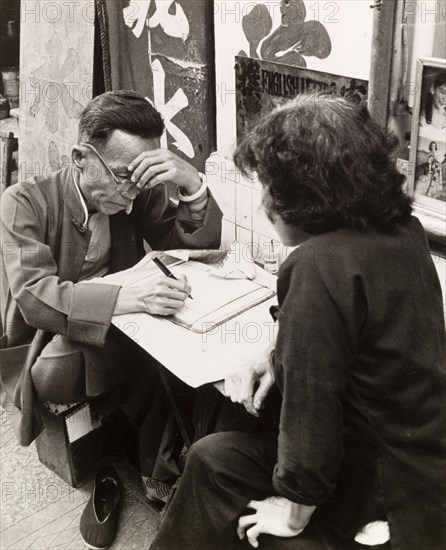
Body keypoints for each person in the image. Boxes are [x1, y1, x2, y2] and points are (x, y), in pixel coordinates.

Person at [151, 94, 446, 550]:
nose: (266, 202)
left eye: (273, 187)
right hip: (418, 464)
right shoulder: (401, 229)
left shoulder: (317, 264)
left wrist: (293, 510)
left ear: (310, 194)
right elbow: (357, 336)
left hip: (374, 485)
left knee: (220, 455)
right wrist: (276, 351)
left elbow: (313, 412)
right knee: (213, 456)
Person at [0, 90, 222, 494]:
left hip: (117, 323)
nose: (132, 191)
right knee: (156, 354)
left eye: (142, 177)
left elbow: (186, 246)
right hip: (44, 345)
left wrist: (190, 182)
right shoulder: (23, 202)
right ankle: (166, 462)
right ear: (80, 157)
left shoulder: (136, 191)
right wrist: (137, 300)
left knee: (174, 342)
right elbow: (35, 298)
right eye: (123, 176)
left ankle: (166, 464)